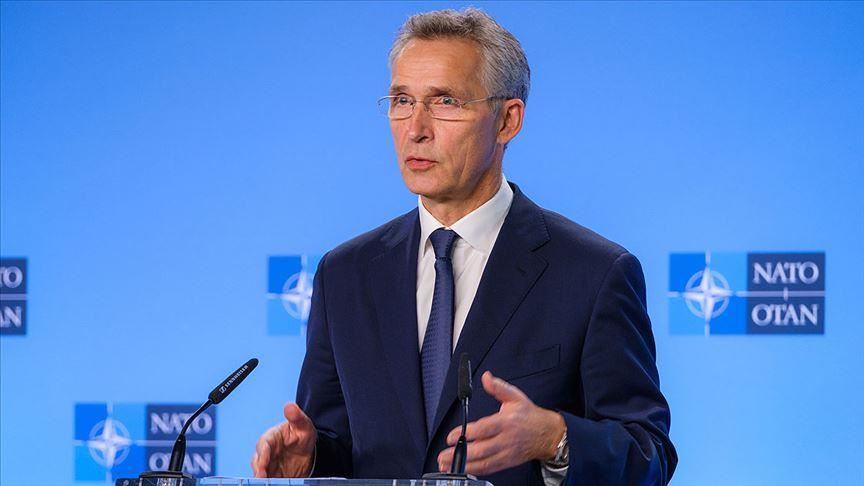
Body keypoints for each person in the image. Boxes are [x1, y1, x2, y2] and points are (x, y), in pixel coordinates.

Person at [252, 8, 677, 485]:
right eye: (401, 100)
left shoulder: (593, 273)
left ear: (507, 120)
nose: (416, 128)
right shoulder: (345, 274)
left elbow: (649, 457)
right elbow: (343, 445)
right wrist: (310, 461)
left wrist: (555, 439)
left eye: (445, 101)